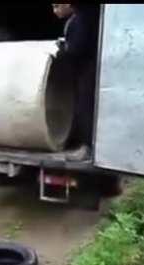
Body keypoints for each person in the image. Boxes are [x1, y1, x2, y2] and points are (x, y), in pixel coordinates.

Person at [52, 3, 99, 155]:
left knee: (84, 106)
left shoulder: (81, 20)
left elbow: (78, 48)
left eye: (57, 6)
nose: (55, 11)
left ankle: (86, 146)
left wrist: (64, 49)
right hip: (81, 71)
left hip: (85, 71)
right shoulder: (75, 19)